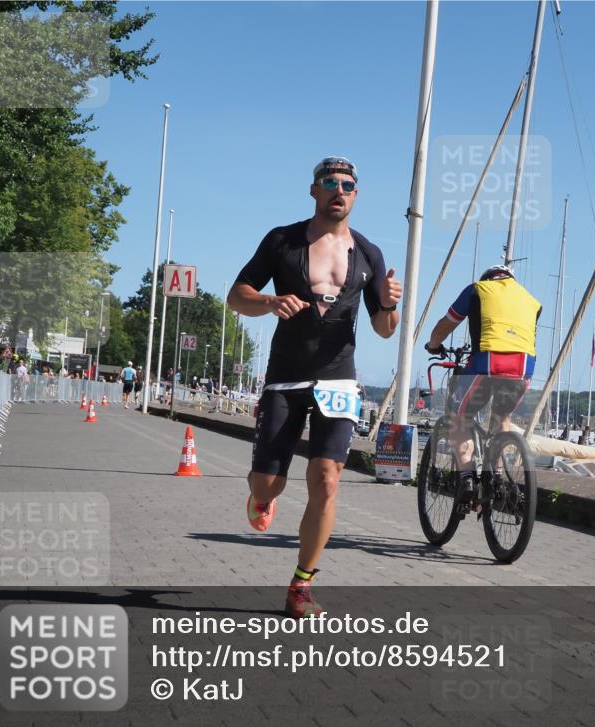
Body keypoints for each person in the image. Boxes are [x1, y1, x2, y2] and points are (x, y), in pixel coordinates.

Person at [227, 156, 401, 618]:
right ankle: (261, 498)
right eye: (330, 182)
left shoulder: (368, 253)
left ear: (356, 195)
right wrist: (269, 301)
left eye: (347, 184)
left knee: (326, 480)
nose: (338, 190)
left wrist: (388, 306)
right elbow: (235, 295)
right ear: (314, 190)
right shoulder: (282, 240)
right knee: (269, 483)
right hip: (286, 375)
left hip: (339, 377)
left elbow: (384, 328)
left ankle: (301, 585)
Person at [424, 264, 541, 508]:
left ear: (488, 279)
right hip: (522, 369)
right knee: (502, 417)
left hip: (486, 363)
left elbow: (447, 324)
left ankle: (466, 477)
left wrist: (434, 343)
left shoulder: (477, 290)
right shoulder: (530, 300)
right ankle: (495, 477)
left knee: (458, 416)